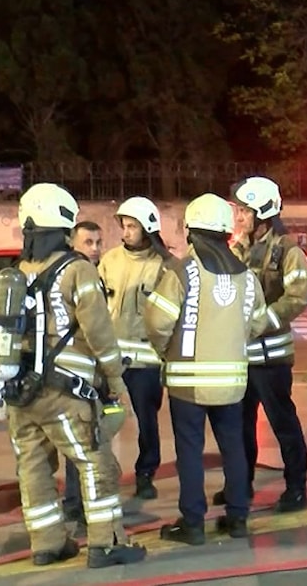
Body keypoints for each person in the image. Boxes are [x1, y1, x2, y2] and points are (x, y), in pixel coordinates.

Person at [0, 182, 145, 568]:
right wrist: (115, 381)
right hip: (64, 393)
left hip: (19, 394)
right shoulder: (76, 270)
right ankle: (106, 543)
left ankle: (47, 543)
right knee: (97, 462)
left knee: (33, 466)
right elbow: (99, 333)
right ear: (64, 225)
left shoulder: (16, 272)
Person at [145, 193, 268, 544]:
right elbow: (257, 323)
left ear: (189, 230)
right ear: (227, 232)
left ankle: (194, 523)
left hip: (188, 383)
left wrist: (165, 351)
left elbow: (157, 322)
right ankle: (239, 518)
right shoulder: (247, 276)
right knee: (235, 448)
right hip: (232, 383)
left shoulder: (182, 271)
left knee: (190, 452)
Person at [216, 176, 307, 513]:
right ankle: (240, 485)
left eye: (243, 211)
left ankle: (296, 487)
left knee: (283, 423)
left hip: (271, 357)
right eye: (237, 210)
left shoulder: (288, 251)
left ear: (263, 212)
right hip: (241, 357)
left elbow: (298, 297)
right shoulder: (236, 247)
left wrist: (262, 322)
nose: (238, 217)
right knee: (239, 426)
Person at [99, 196, 173, 501]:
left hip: (147, 361)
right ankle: (104, 471)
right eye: (124, 226)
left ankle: (146, 474)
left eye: (133, 226)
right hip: (112, 359)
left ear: (148, 229)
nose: (126, 232)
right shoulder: (110, 261)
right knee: (105, 416)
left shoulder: (163, 267)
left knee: (147, 422)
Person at [61, 219, 105, 528]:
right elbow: (96, 330)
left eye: (98, 242)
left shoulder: (86, 272)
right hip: (76, 374)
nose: (95, 248)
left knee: (82, 443)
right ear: (72, 242)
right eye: (88, 242)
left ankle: (77, 503)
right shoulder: (79, 274)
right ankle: (80, 506)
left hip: (79, 372)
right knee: (84, 443)